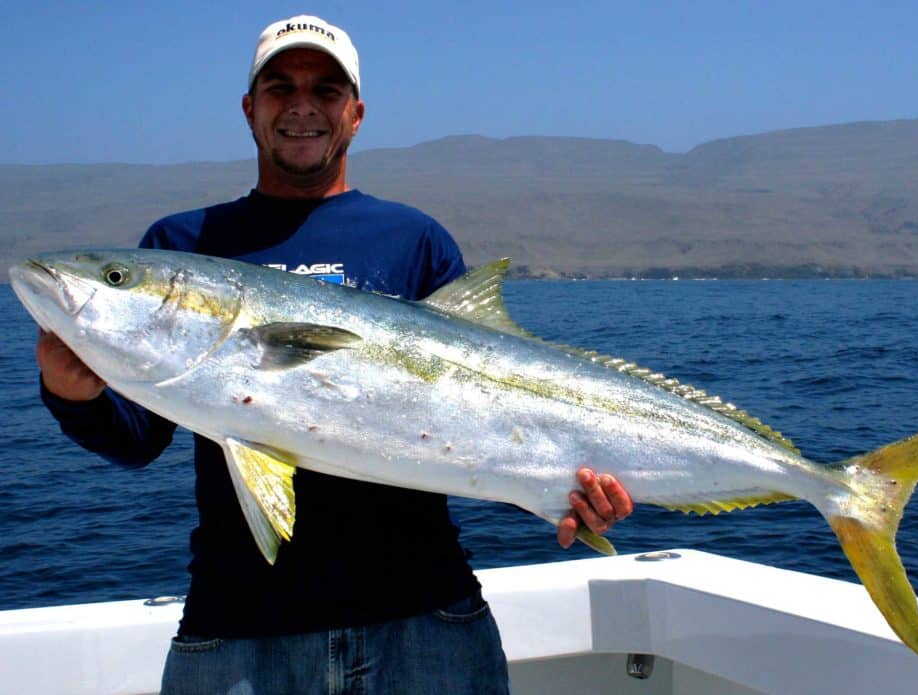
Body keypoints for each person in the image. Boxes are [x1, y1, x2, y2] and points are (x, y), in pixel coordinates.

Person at [34, 15, 634, 695]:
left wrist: (567, 487)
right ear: (249, 108)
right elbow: (141, 438)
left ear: (355, 113)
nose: (302, 105)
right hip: (239, 627)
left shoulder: (414, 240)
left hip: (426, 620)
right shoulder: (184, 243)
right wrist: (74, 396)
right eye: (280, 87)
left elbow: (485, 411)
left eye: (325, 89)